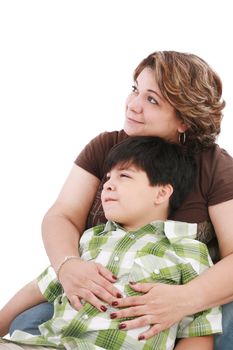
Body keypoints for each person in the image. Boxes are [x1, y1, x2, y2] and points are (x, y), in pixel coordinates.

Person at [6, 51, 233, 349]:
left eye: (152, 100)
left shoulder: (214, 166)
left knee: (226, 330)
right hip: (105, 297)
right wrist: (68, 265)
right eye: (135, 89)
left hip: (189, 296)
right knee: (26, 323)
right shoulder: (106, 147)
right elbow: (62, 215)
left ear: (184, 121)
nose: (133, 105)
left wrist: (182, 301)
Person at [0, 136, 222, 350]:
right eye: (107, 178)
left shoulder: (188, 250)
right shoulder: (90, 240)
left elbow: (199, 332)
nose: (108, 185)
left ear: (162, 192)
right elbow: (38, 288)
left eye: (124, 176)